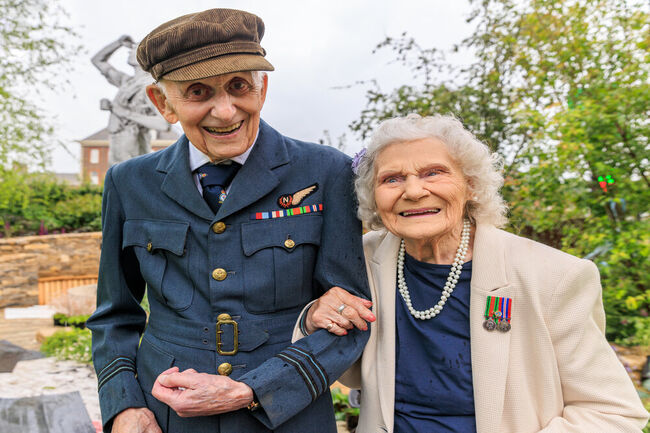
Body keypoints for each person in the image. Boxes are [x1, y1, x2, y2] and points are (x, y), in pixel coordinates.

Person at [86, 8, 370, 433]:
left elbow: (350, 317)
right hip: (166, 417)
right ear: (162, 103)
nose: (225, 111)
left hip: (287, 416)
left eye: (239, 86)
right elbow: (115, 316)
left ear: (263, 87)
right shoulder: (129, 182)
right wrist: (124, 405)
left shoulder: (326, 171)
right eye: (198, 92)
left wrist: (252, 390)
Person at [295, 114, 649, 432]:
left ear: (471, 185)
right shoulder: (361, 260)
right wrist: (313, 319)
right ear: (373, 196)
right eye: (392, 179)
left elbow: (611, 412)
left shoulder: (554, 277)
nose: (414, 191)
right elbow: (351, 370)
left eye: (434, 172)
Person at [92, 35, 172, 166]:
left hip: (133, 151)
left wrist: (124, 113)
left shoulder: (149, 87)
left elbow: (164, 124)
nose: (129, 50)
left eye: (135, 47)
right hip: (117, 147)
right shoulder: (127, 82)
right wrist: (118, 43)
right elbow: (97, 61)